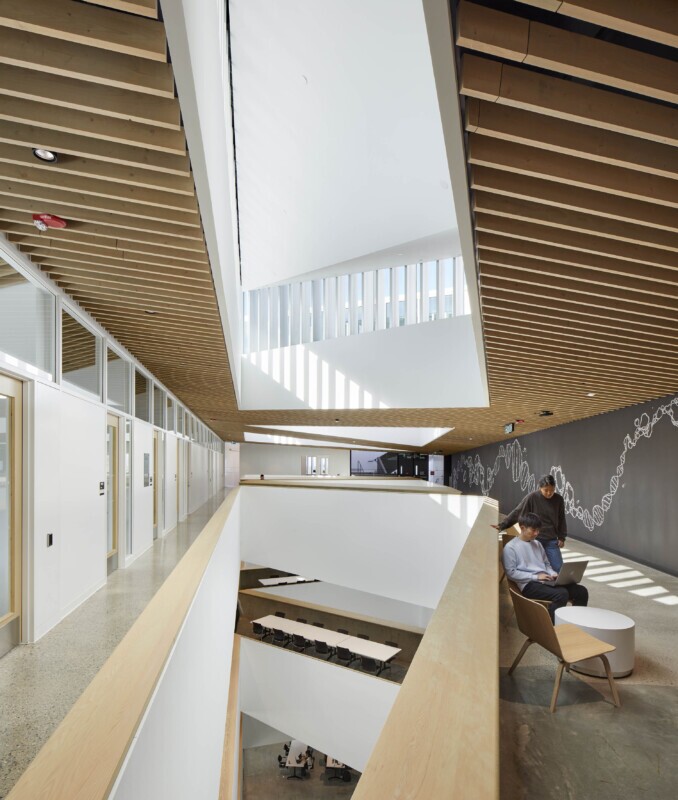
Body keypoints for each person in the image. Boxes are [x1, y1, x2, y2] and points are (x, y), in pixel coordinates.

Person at [502, 512, 588, 622]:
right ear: (522, 527)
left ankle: (577, 623)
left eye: (538, 530)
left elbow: (547, 564)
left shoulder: (537, 544)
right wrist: (536, 577)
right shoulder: (510, 548)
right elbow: (511, 573)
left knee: (581, 591)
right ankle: (552, 629)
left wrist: (552, 573)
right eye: (533, 530)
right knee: (561, 594)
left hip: (546, 580)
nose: (537, 533)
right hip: (528, 584)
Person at [493, 475, 567, 571]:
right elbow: (517, 512)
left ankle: (557, 585)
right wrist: (502, 525)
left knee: (558, 568)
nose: (549, 493)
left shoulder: (559, 499)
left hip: (551, 540)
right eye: (546, 490)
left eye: (552, 490)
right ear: (540, 488)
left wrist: (561, 537)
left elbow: (561, 518)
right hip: (534, 539)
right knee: (536, 567)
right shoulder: (532, 497)